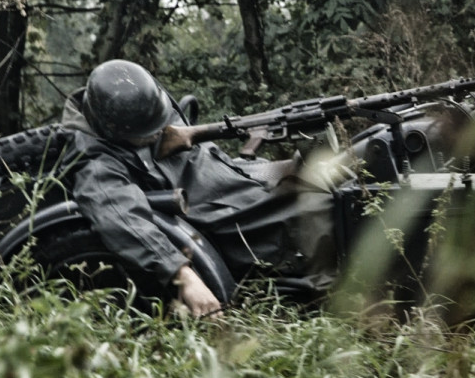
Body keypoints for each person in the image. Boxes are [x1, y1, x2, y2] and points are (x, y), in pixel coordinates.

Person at [61, 59, 335, 317]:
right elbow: (122, 218)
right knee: (331, 208)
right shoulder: (95, 161)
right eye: (149, 133)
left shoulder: (145, 108)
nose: (160, 130)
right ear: (117, 131)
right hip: (226, 216)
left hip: (239, 177)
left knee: (354, 161)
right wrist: (183, 275)